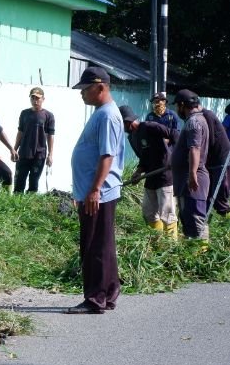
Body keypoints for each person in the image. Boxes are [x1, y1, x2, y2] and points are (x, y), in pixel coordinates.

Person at [67, 66, 124, 315]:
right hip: (96, 191)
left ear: (100, 87)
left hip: (98, 193)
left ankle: (95, 298)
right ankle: (109, 292)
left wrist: (94, 190)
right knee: (103, 243)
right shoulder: (103, 112)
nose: (81, 94)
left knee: (93, 245)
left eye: (85, 89)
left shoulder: (108, 115)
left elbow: (107, 155)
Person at [119, 105, 179, 236]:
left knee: (167, 213)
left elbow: (174, 134)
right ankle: (158, 243)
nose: (121, 128)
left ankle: (171, 247)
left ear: (127, 122)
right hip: (151, 176)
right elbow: (143, 159)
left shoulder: (149, 126)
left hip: (165, 175)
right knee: (149, 212)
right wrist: (138, 172)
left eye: (121, 124)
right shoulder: (132, 138)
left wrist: (176, 157)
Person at [171, 89, 211, 241]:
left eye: (177, 106)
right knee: (189, 220)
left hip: (193, 182)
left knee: (196, 221)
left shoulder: (194, 122)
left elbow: (195, 148)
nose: (176, 110)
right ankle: (194, 254)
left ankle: (200, 258)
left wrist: (192, 174)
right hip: (187, 181)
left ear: (182, 105)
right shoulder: (194, 121)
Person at [13, 87, 55, 193]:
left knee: (34, 183)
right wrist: (14, 149)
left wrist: (50, 154)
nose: (35, 101)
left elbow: (50, 135)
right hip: (24, 153)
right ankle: (16, 206)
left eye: (38, 98)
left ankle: (30, 207)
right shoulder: (24, 113)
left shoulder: (48, 116)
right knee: (19, 182)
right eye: (33, 98)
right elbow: (20, 132)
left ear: (43, 99)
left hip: (39, 154)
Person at [197, 105, 230, 218]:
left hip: (223, 155)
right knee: (220, 183)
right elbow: (224, 131)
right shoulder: (228, 118)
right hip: (224, 153)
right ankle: (221, 209)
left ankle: (222, 209)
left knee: (223, 183)